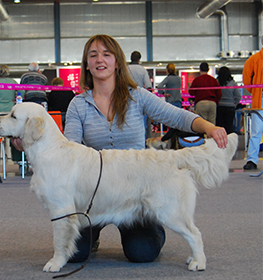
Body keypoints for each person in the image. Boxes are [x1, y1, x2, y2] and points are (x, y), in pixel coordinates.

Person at [62, 34, 228, 264]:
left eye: (106, 54)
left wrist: (209, 127)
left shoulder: (137, 97)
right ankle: (92, 235)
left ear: (117, 62)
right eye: (93, 55)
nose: (100, 59)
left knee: (142, 253)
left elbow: (176, 116)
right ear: (87, 65)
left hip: (138, 193)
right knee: (74, 254)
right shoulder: (78, 105)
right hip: (95, 195)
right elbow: (70, 148)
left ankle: (154, 224)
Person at [242, 37, 263, 170]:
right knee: (256, 131)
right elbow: (246, 80)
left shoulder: (254, 59)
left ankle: (252, 159)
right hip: (259, 100)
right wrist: (255, 91)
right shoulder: (253, 60)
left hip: (258, 99)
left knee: (256, 131)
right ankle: (252, 160)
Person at [216, 66, 242, 134]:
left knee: (219, 127)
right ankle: (229, 142)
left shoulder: (216, 82)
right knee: (229, 127)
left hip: (219, 107)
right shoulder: (232, 83)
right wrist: (235, 103)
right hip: (230, 107)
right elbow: (238, 96)